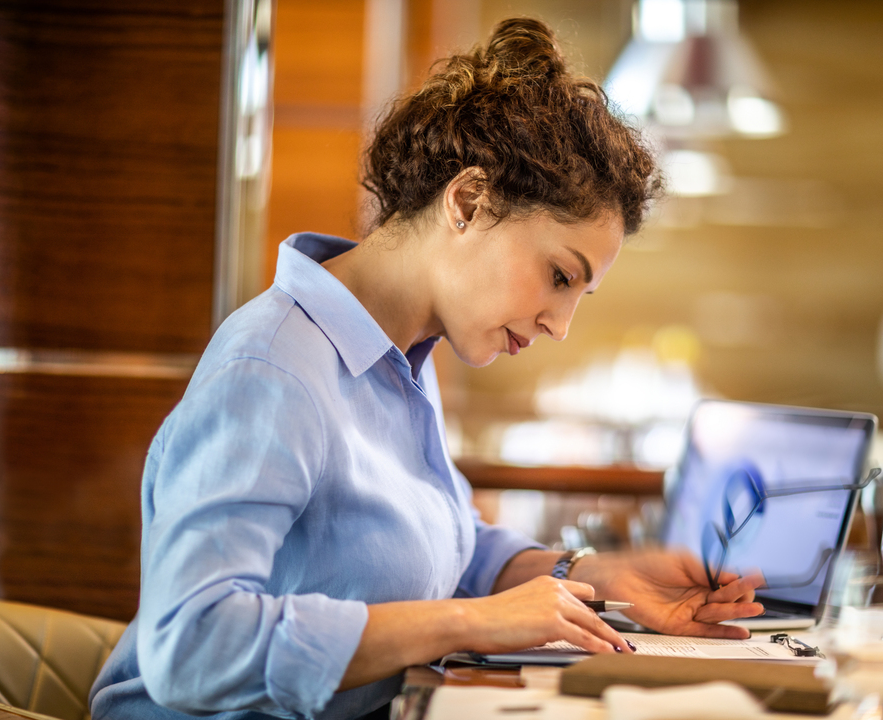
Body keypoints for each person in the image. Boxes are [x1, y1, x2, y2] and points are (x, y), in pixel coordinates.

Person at [89, 17, 763, 720]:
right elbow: (190, 645)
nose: (560, 327)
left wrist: (592, 574)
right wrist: (468, 622)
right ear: (468, 202)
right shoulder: (273, 370)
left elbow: (447, 549)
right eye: (560, 276)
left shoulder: (402, 354)